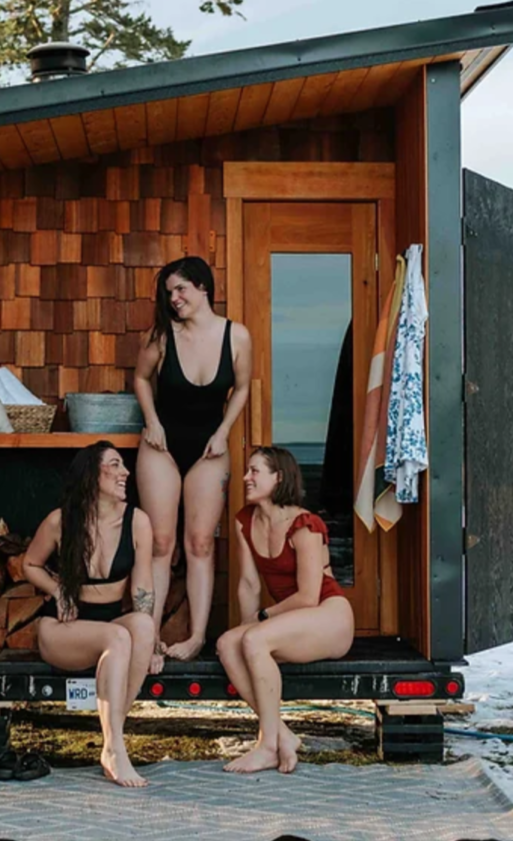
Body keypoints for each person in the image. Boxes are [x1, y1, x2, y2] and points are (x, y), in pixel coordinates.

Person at [133, 256, 251, 665]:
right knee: (161, 543)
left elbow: (241, 388)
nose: (174, 298)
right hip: (161, 447)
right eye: (169, 293)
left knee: (200, 543)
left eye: (180, 289)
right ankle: (147, 639)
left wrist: (224, 432)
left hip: (209, 448)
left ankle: (197, 637)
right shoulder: (162, 336)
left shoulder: (236, 336)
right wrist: (151, 422)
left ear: (203, 287)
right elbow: (141, 378)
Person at [22, 441, 156, 788]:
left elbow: (143, 588)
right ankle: (114, 749)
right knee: (117, 636)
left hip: (110, 624)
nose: (126, 472)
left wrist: (152, 644)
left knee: (140, 625)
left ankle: (113, 743)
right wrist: (58, 590)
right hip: (63, 629)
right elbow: (30, 564)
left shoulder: (138, 522)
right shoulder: (60, 520)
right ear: (92, 474)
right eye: (115, 464)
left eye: (124, 465)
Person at [218, 446, 355, 774]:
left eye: (255, 472)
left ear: (278, 478)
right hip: (289, 618)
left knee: (253, 641)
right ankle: (283, 735)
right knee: (227, 644)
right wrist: (245, 627)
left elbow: (308, 596)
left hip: (328, 614)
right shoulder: (244, 521)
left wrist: (261, 621)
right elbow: (249, 585)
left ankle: (267, 745)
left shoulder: (305, 524)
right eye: (247, 471)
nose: (246, 478)